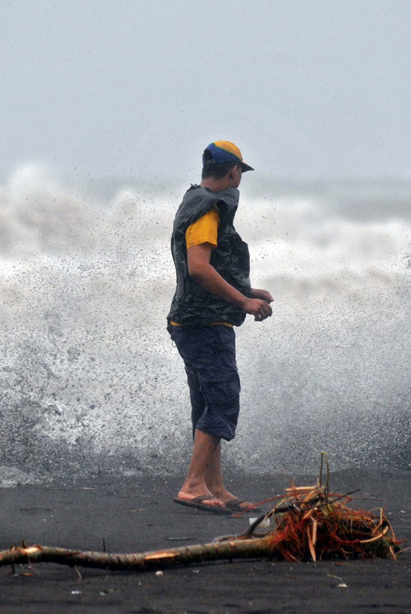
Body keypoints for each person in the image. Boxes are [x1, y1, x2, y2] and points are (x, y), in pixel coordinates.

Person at [167, 141, 273, 514]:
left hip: (191, 319)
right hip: (204, 323)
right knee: (223, 399)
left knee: (207, 402)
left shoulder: (194, 200)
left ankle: (214, 486)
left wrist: (247, 290)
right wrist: (242, 302)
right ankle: (193, 485)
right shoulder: (208, 208)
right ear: (233, 172)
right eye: (240, 172)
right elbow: (198, 267)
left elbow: (203, 267)